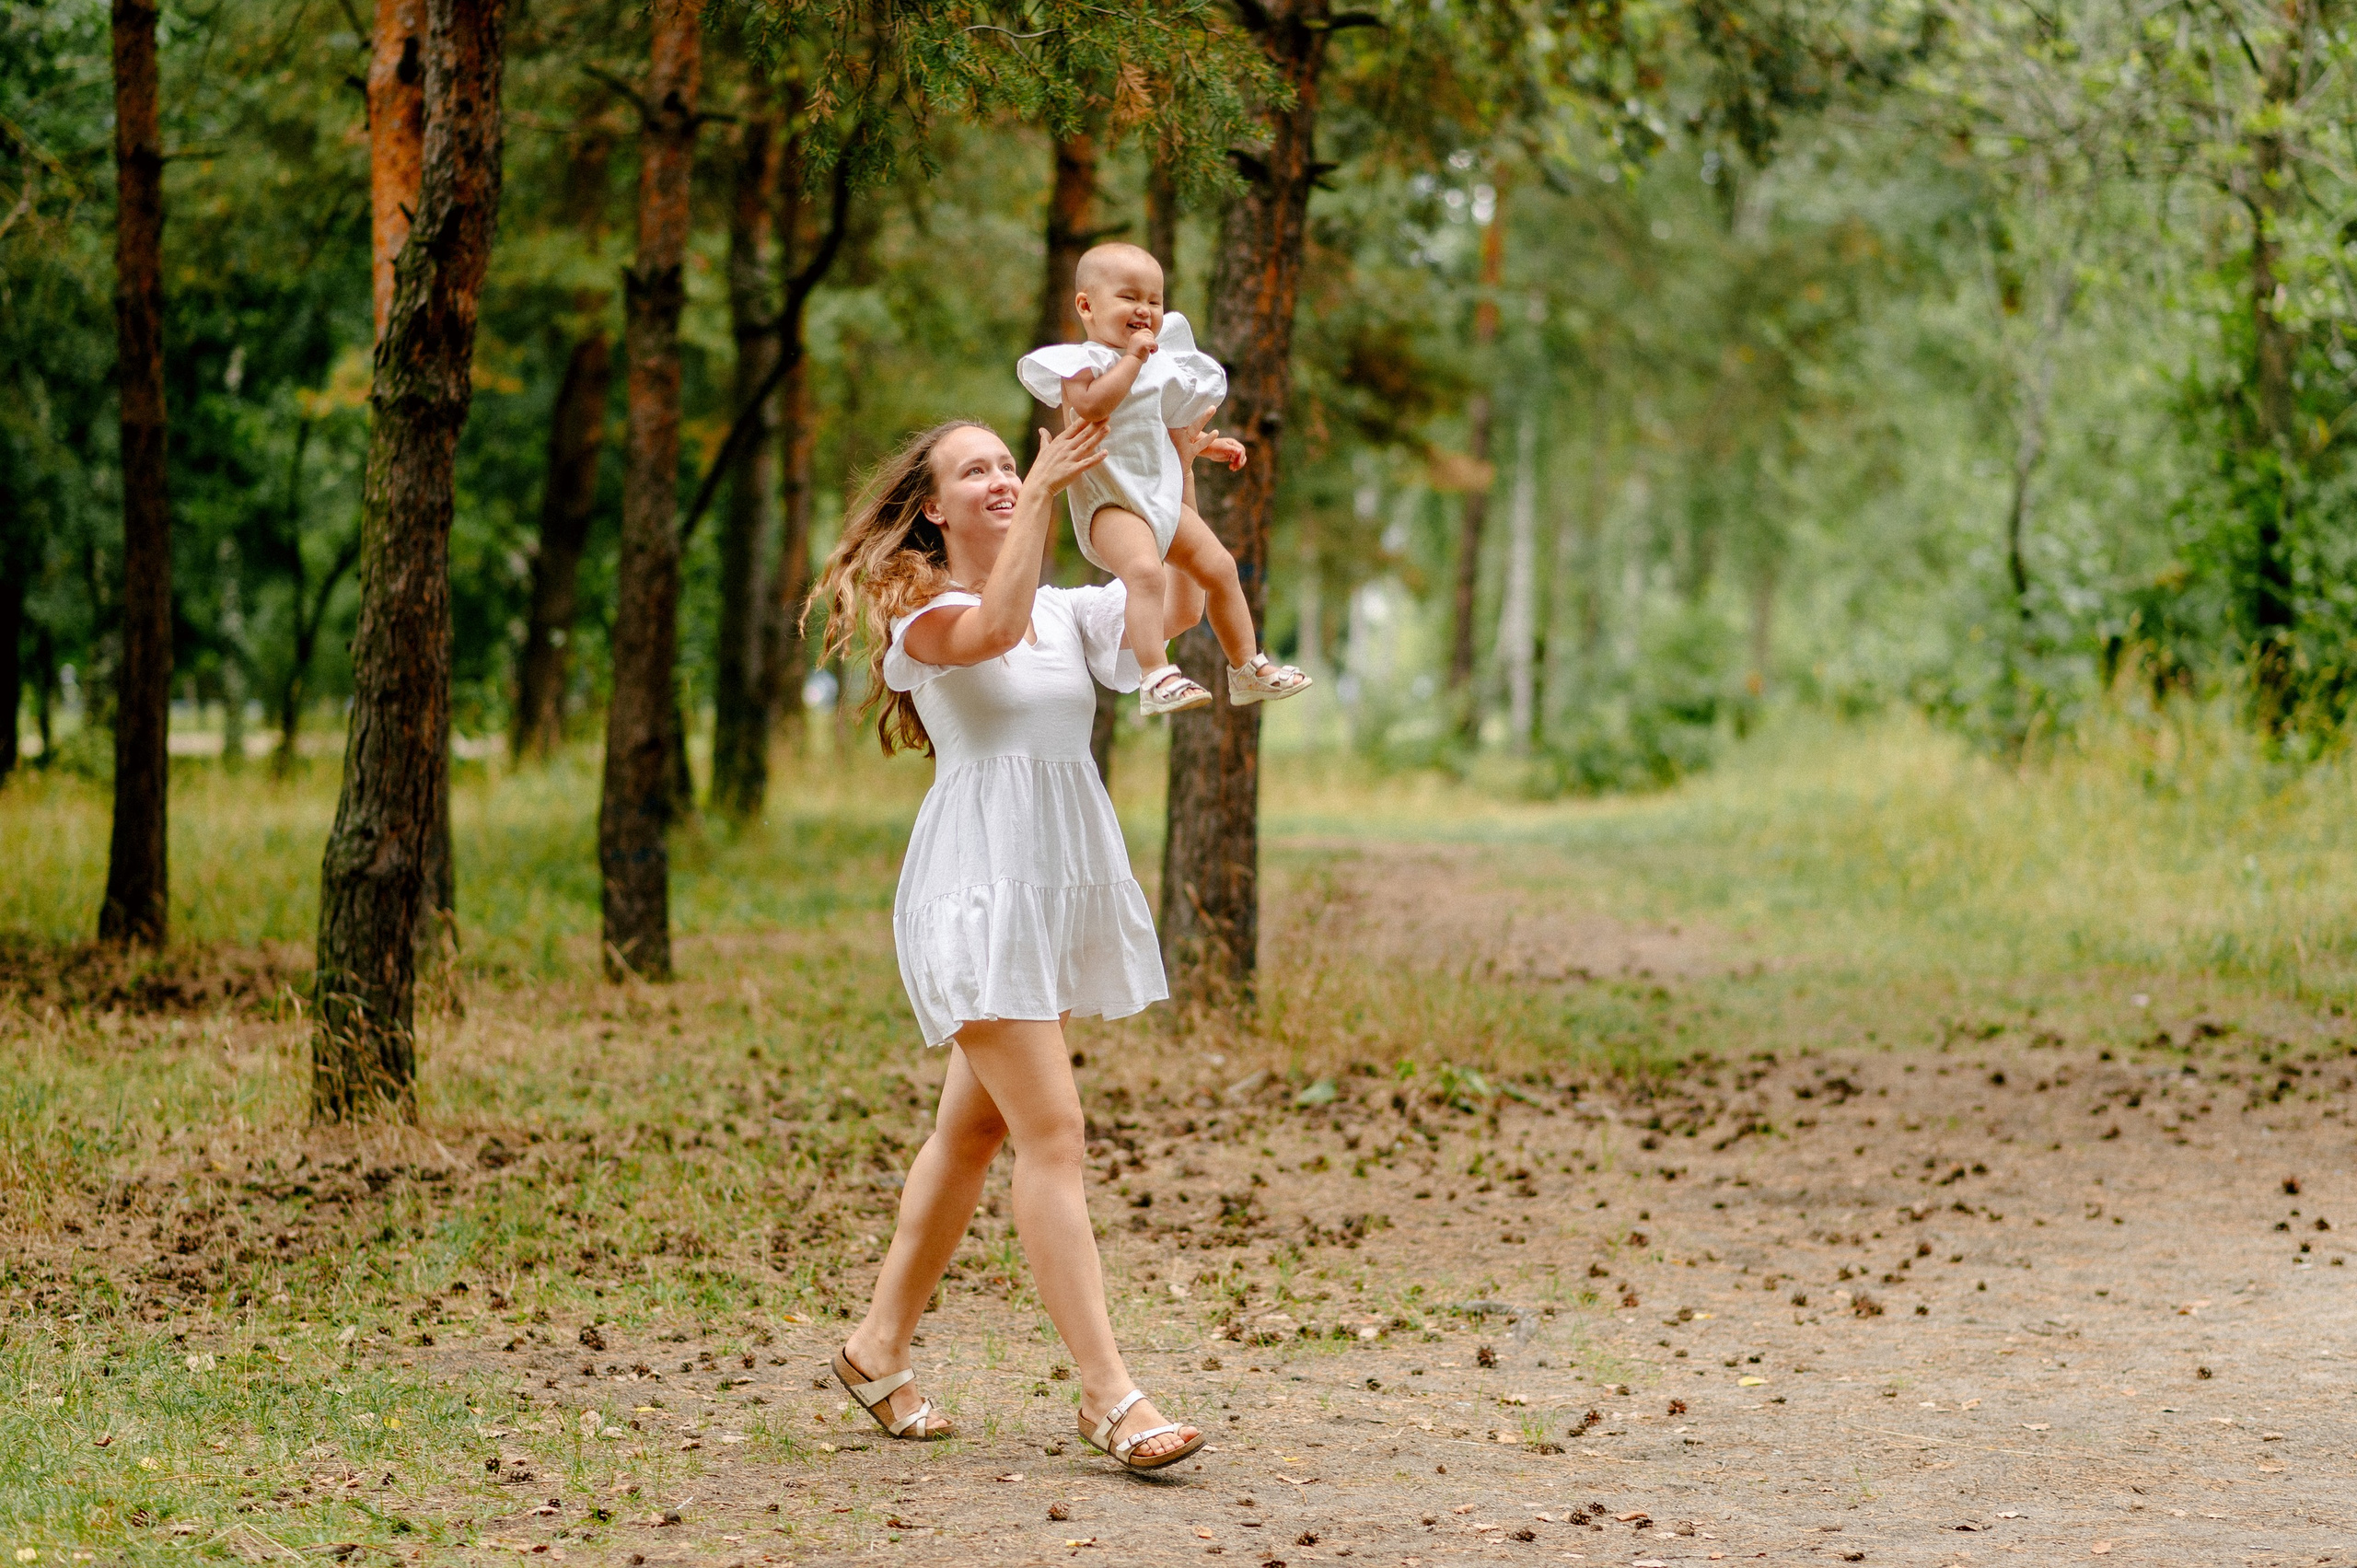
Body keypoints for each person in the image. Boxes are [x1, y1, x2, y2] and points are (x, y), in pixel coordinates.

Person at [805, 414, 1211, 1472]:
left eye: (1005, 461)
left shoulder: (1068, 614)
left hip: (1048, 891)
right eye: (974, 468)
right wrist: (1039, 489)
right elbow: (988, 629)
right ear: (933, 507)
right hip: (975, 894)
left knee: (974, 1135)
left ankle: (875, 1347)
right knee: (1054, 1133)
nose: (999, 477)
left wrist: (1165, 489)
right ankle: (1109, 1394)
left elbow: (1176, 604)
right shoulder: (922, 616)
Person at [1017, 241, 1313, 716]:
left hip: (1158, 497)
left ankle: (1246, 667)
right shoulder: (1078, 363)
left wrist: (1205, 447)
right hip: (1110, 502)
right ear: (1087, 306)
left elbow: (1167, 425)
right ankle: (1155, 675)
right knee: (1145, 573)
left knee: (1219, 567)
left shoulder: (1158, 364)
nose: (1144, 310)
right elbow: (1092, 407)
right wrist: (1132, 360)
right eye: (1129, 297)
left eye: (1155, 301)